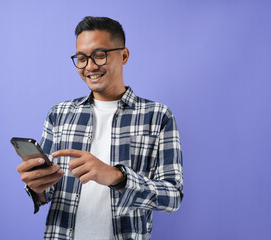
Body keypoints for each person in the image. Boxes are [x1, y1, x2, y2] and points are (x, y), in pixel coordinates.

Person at [16, 16, 183, 240]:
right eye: (82, 58)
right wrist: (36, 186)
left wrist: (116, 176)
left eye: (99, 55)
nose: (90, 67)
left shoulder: (158, 116)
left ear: (124, 55)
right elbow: (48, 192)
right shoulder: (60, 114)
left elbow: (172, 196)